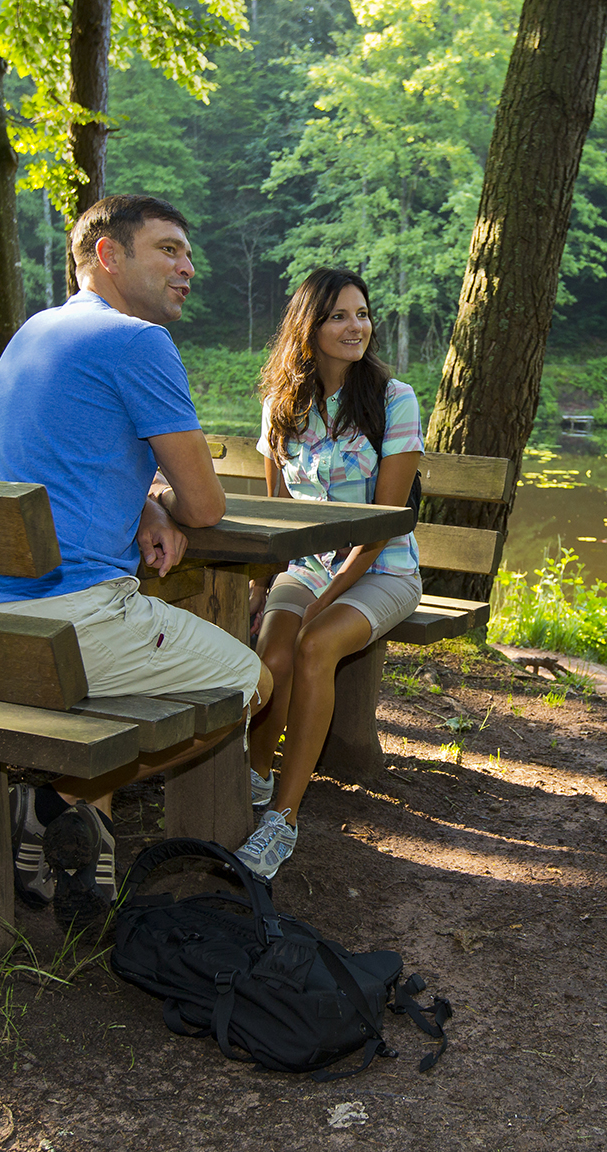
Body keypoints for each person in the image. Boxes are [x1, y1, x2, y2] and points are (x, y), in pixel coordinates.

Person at [0, 194, 273, 932]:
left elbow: (72, 464)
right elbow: (209, 506)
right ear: (107, 255)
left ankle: (75, 839)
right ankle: (55, 800)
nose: (187, 268)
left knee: (135, 679)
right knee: (252, 681)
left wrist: (146, 505)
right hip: (69, 616)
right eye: (167, 250)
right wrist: (171, 502)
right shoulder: (138, 343)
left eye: (189, 254)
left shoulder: (33, 333)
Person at [237, 268, 424, 880]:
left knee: (314, 645)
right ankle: (256, 778)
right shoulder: (281, 404)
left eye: (363, 314)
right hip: (307, 565)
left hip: (383, 569)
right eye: (340, 315)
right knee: (273, 649)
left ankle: (281, 822)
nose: (357, 327)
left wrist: (320, 603)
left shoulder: (395, 400)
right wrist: (267, 589)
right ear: (309, 326)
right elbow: (279, 516)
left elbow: (382, 526)